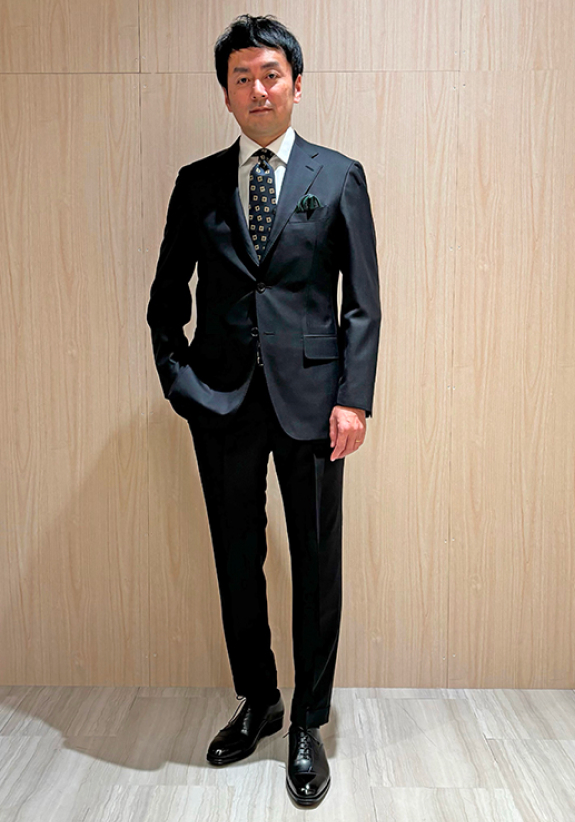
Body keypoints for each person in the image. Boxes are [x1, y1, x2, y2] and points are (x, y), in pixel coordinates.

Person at [146, 13, 380, 807]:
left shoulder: (338, 175)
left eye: (270, 74)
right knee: (235, 559)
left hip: (315, 407)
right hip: (221, 404)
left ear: (296, 85)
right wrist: (182, 386)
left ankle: (307, 721)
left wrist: (353, 399)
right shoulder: (197, 183)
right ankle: (259, 701)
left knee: (315, 563)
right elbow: (164, 303)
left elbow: (362, 305)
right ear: (225, 93)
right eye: (241, 77)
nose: (257, 89)